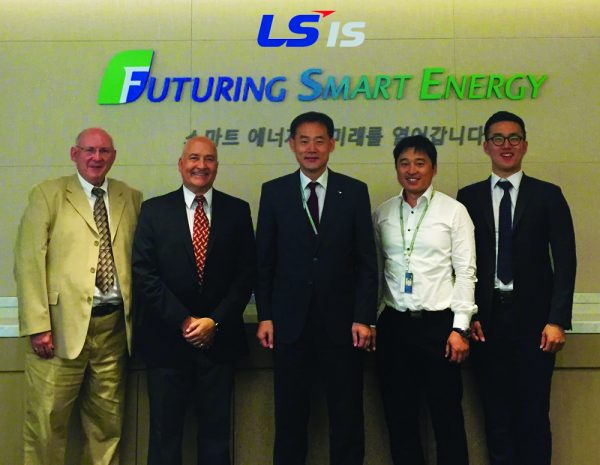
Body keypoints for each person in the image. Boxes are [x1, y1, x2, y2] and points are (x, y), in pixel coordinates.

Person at [255, 111, 378, 465]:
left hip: (343, 326)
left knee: (347, 417)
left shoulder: (353, 192)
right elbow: (264, 262)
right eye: (304, 141)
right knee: (290, 419)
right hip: (290, 326)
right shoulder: (274, 192)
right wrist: (265, 315)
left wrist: (363, 317)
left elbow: (366, 262)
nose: (311, 148)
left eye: (319, 141)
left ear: (332, 145)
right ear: (292, 144)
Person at [14, 128, 142, 465]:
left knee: (106, 428)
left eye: (104, 151)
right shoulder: (48, 195)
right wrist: (38, 325)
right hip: (58, 332)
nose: (96, 158)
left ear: (113, 156)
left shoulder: (130, 197)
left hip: (113, 330)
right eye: (89, 150)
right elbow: (28, 262)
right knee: (46, 426)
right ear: (74, 154)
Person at [457, 111, 576, 465]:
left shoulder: (548, 195)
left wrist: (557, 320)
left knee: (533, 415)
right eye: (498, 138)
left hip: (536, 324)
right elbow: (461, 263)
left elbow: (566, 261)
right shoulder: (469, 197)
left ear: (524, 145)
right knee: (496, 416)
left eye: (513, 138)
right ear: (485, 146)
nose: (505, 145)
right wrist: (469, 316)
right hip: (486, 323)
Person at [132, 136, 255, 465]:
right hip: (166, 343)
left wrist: (214, 321)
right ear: (181, 164)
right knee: (164, 439)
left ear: (217, 165)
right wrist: (185, 321)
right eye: (194, 158)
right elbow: (144, 273)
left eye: (209, 159)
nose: (201, 165)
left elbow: (246, 276)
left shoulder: (237, 211)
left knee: (216, 439)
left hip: (219, 343)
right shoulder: (154, 211)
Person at [373, 135, 477, 465]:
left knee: (447, 418)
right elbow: (375, 271)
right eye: (404, 163)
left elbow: (466, 272)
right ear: (396, 168)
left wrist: (460, 328)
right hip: (394, 325)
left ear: (434, 168)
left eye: (420, 163)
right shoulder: (383, 213)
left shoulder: (454, 212)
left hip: (439, 327)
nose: (412, 170)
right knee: (399, 419)